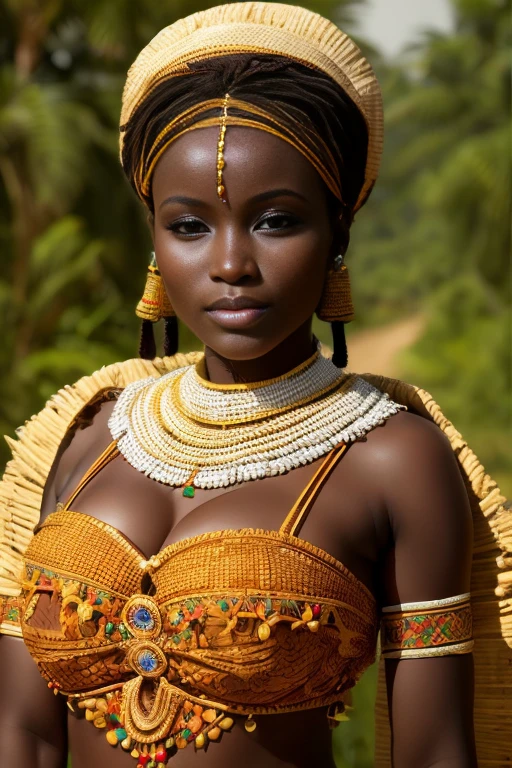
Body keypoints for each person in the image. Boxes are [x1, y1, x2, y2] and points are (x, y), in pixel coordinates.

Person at [0, 4, 509, 768]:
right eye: (189, 226)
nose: (231, 264)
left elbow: (436, 755)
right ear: (154, 243)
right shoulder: (83, 437)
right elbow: (21, 735)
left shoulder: (395, 460)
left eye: (275, 221)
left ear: (338, 232)